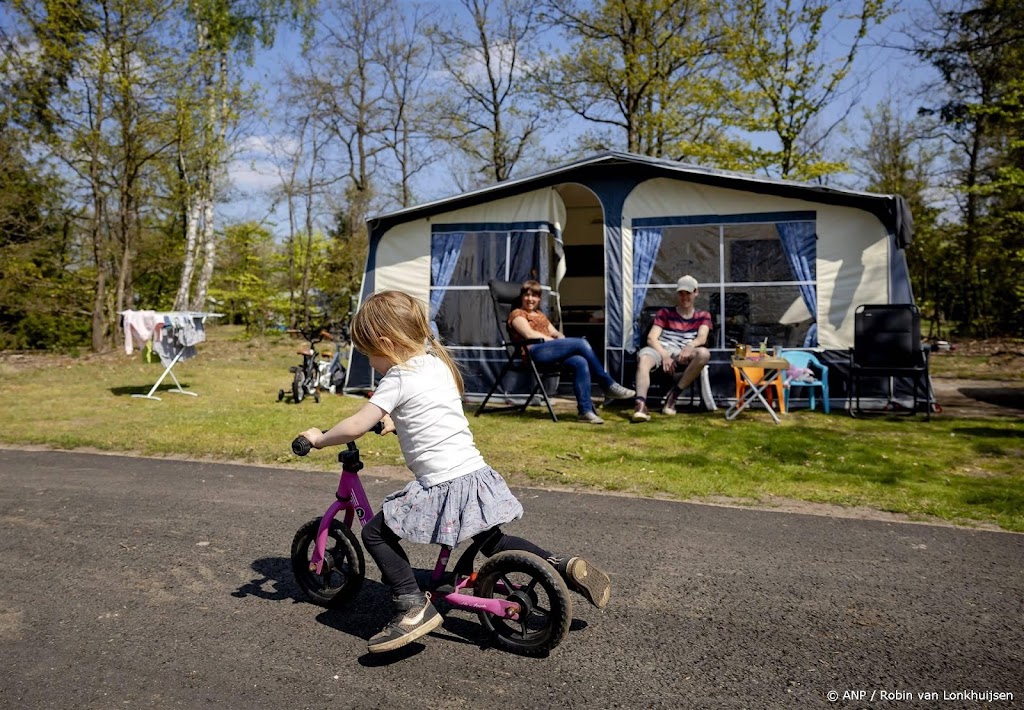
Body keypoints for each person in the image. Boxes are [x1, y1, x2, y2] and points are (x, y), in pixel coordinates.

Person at [298, 290, 612, 654]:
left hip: (443, 487)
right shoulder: (435, 364)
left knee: (375, 534)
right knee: (492, 540)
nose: (371, 362)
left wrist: (320, 438)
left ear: (385, 343)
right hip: (476, 476)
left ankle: (411, 605)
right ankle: (560, 564)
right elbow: (429, 414)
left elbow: (354, 425)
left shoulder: (396, 378)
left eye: (369, 354)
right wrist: (394, 422)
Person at [507, 280, 634, 424]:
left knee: (580, 362)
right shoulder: (517, 314)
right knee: (581, 343)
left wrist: (561, 339)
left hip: (550, 351)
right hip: (534, 353)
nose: (530, 299)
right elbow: (529, 334)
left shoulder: (540, 315)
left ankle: (585, 412)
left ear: (539, 298)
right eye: (527, 295)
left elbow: (555, 333)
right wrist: (555, 341)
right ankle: (607, 383)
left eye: (535, 296)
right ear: (522, 297)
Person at [631, 275, 712, 422]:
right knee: (644, 359)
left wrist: (690, 345)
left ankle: (673, 396)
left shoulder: (703, 315)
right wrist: (664, 355)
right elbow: (651, 338)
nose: (684, 297)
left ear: (696, 293)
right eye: (681, 293)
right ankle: (640, 404)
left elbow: (702, 337)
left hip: (684, 351)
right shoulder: (665, 313)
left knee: (704, 354)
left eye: (688, 293)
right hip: (661, 348)